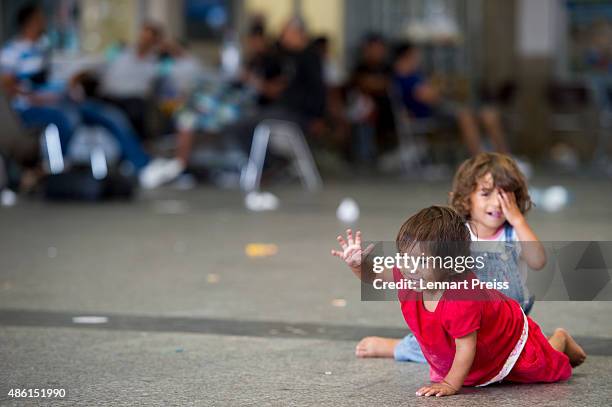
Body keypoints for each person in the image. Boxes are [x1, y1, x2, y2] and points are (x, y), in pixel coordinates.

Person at [331, 207, 586, 397]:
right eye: (405, 257)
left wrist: (450, 384)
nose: (409, 267)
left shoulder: (460, 298)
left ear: (450, 265)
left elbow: (466, 348)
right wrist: (358, 264)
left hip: (504, 339)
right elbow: (373, 275)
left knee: (538, 369)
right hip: (479, 339)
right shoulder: (409, 273)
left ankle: (559, 340)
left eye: (422, 261)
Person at [354, 153, 547, 361]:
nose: (496, 203)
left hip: (503, 325)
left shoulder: (514, 233)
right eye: (486, 193)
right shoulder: (458, 235)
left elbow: (538, 261)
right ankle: (398, 347)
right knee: (440, 349)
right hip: (459, 318)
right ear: (467, 198)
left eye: (504, 196)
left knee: (523, 356)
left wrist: (518, 220)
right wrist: (362, 266)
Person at [0, 4, 181, 189]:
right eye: (40, 18)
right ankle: (54, 172)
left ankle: (144, 168)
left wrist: (71, 84)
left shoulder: (44, 48)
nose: (44, 22)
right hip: (34, 106)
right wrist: (32, 96)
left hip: (65, 100)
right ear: (30, 22)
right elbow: (6, 83)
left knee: (111, 116)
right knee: (69, 118)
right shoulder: (12, 50)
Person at [392, 42, 510, 156]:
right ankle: (480, 159)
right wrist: (439, 89)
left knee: (488, 114)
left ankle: (505, 158)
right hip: (430, 114)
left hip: (440, 109)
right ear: (407, 55)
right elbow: (428, 96)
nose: (418, 58)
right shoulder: (403, 77)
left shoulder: (415, 74)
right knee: (465, 115)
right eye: (415, 54)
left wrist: (437, 89)